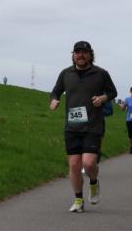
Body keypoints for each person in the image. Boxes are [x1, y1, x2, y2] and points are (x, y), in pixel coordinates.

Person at [49, 40, 118, 213]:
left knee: (88, 164)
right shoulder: (66, 73)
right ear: (73, 55)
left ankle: (93, 183)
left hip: (93, 125)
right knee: (74, 165)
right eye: (77, 52)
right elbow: (56, 90)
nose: (80, 55)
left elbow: (112, 92)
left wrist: (102, 98)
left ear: (90, 55)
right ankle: (78, 199)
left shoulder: (101, 73)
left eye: (84, 52)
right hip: (72, 126)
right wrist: (54, 99)